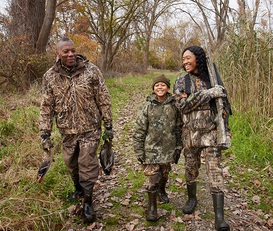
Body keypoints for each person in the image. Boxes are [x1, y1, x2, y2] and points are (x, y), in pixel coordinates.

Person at [39, 37, 113, 223]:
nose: (71, 54)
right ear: (57, 54)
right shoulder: (50, 76)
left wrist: (108, 125)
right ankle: (78, 190)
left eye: (73, 50)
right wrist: (45, 132)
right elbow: (46, 106)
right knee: (71, 163)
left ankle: (88, 201)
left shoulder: (91, 70)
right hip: (67, 131)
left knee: (87, 163)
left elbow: (103, 97)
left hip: (91, 128)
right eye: (66, 51)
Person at [173, 46, 232, 231]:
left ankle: (219, 219)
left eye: (188, 58)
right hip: (190, 135)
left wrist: (226, 130)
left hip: (211, 133)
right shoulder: (181, 81)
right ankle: (192, 199)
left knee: (215, 171)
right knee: (191, 169)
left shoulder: (212, 79)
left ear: (198, 58)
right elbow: (182, 106)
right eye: (183, 59)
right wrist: (208, 94)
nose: (185, 62)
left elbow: (223, 106)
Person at [133, 74, 183, 221]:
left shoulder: (174, 105)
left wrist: (179, 147)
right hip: (151, 150)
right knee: (153, 178)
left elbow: (179, 127)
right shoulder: (147, 106)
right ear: (153, 88)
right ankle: (152, 208)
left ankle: (162, 190)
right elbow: (139, 129)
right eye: (156, 85)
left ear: (168, 88)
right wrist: (139, 150)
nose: (159, 87)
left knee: (164, 174)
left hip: (168, 149)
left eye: (163, 85)